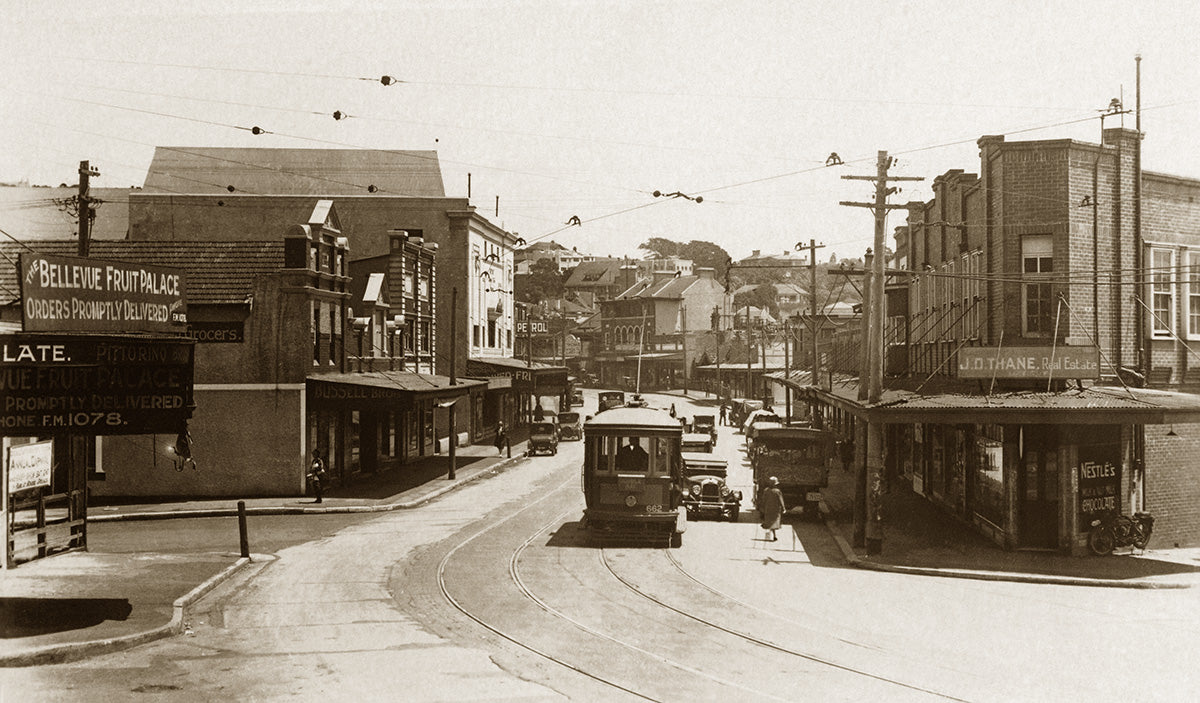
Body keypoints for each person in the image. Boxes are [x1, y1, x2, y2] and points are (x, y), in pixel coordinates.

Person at [759, 476, 785, 542]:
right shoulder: (777, 491)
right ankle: (774, 536)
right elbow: (781, 501)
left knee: (769, 522)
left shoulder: (766, 491)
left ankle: (770, 535)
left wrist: (761, 507)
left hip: (768, 509)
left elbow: (763, 500)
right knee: (774, 523)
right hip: (776, 510)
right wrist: (783, 508)